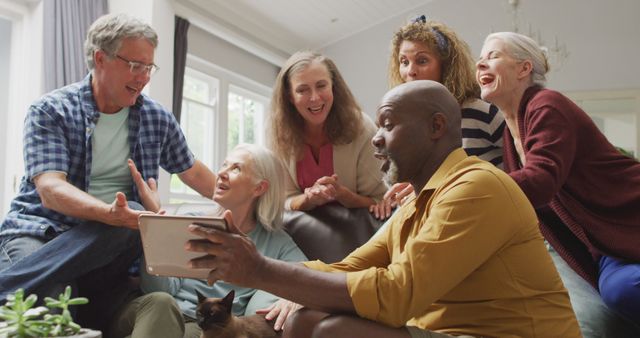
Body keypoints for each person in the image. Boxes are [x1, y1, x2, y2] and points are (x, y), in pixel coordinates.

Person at [185, 80, 581, 338]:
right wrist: (290, 285)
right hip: (446, 333)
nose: (375, 139)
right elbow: (352, 265)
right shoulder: (417, 203)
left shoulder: (477, 187)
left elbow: (397, 294)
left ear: (436, 127)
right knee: (303, 318)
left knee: (333, 331)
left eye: (387, 124)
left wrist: (261, 270)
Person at [0, 13, 216, 323]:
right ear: (101, 58)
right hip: (41, 231)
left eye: (149, 67)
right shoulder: (51, 110)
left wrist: (248, 201)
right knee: (51, 300)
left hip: (109, 242)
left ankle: (10, 283)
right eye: (134, 66)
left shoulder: (156, 118)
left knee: (137, 215)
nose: (144, 77)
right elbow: (50, 189)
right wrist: (107, 213)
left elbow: (192, 171)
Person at [476, 31, 640, 331]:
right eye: (480, 59)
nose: (480, 65)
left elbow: (539, 181)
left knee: (623, 290)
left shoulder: (546, 104)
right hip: (605, 249)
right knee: (614, 296)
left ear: (524, 69)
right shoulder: (509, 139)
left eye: (493, 56)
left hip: (631, 223)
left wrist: (466, 190)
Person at [108, 144, 307, 338]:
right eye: (224, 165)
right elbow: (158, 290)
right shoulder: (189, 222)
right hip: (151, 311)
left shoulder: (276, 242)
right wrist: (154, 231)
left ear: (259, 188)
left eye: (236, 168)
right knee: (162, 303)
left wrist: (295, 299)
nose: (221, 173)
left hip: (204, 327)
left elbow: (314, 272)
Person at [370, 16, 505, 220]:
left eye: (422, 60)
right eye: (404, 62)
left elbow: (519, 172)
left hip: (486, 216)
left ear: (446, 65)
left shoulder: (480, 112)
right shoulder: (408, 127)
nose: (410, 71)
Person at [269, 50, 386, 211]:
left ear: (333, 87)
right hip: (302, 232)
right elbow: (283, 200)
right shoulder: (279, 133)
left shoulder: (362, 127)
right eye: (302, 90)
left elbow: (379, 200)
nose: (315, 97)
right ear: (290, 96)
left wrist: (343, 195)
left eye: (321, 85)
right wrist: (308, 199)